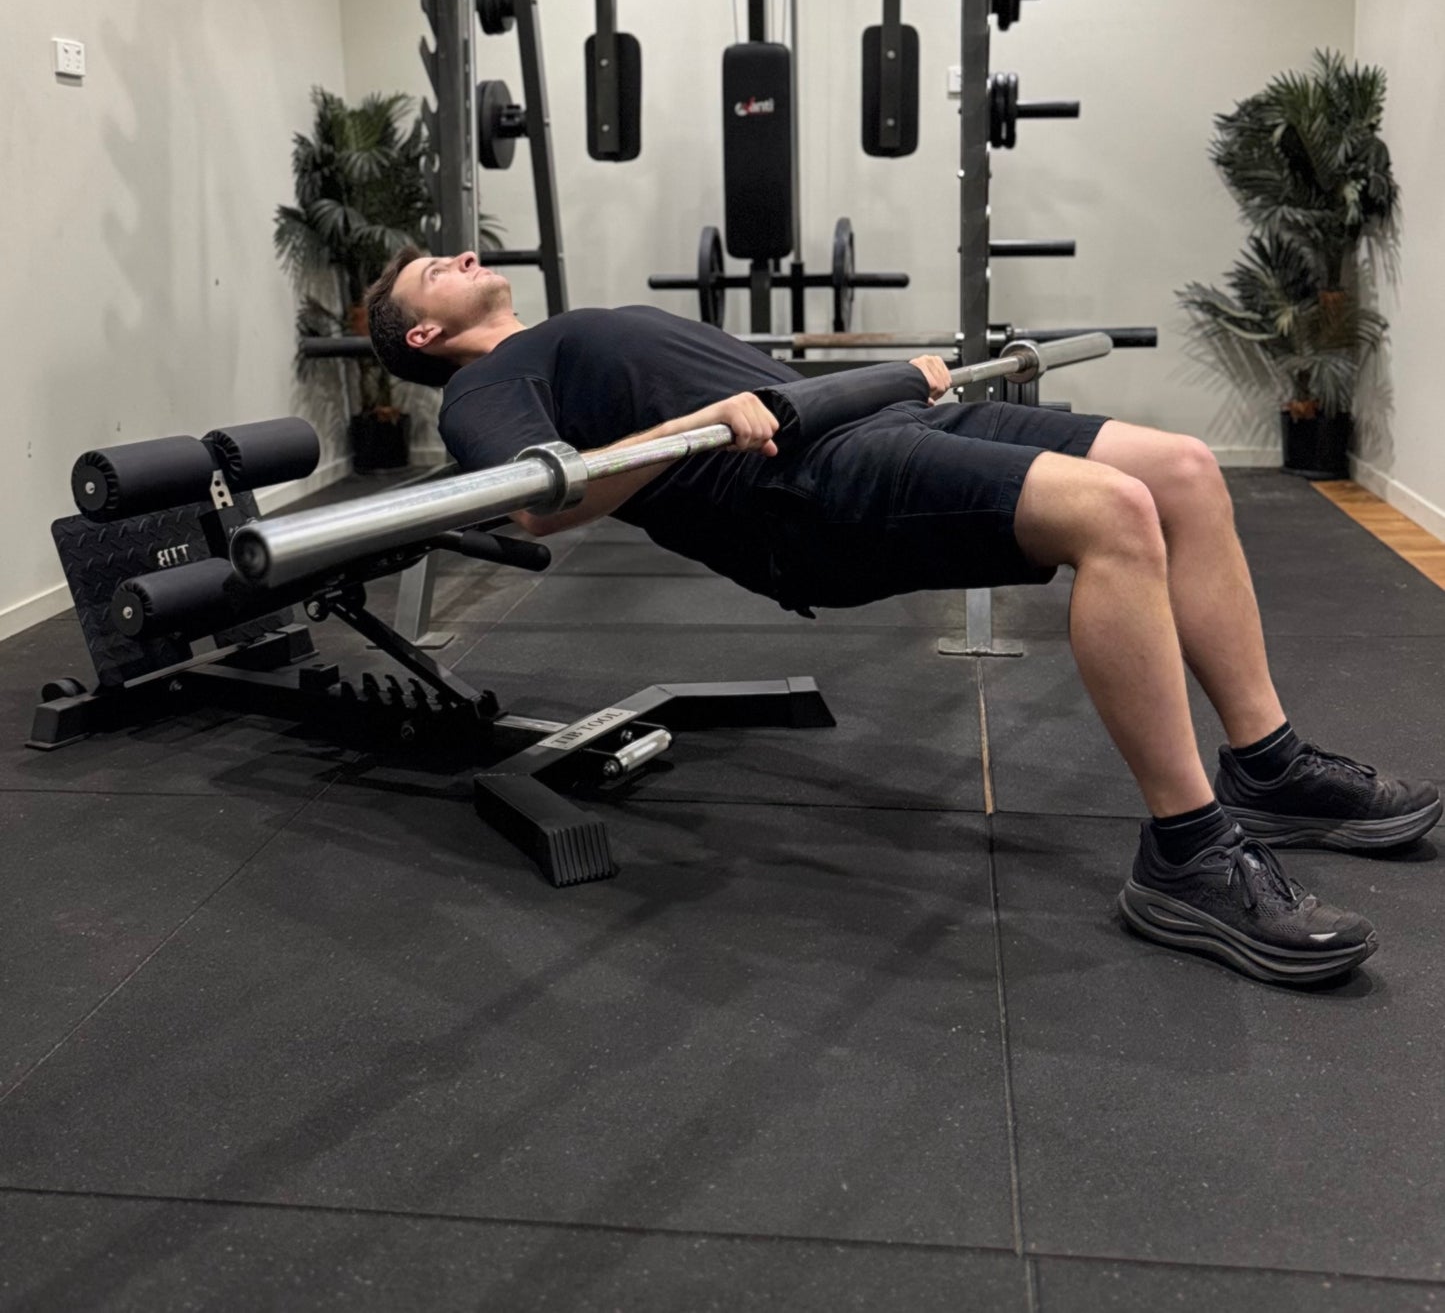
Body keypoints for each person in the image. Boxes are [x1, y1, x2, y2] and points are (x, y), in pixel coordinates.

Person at [364, 246, 1440, 985]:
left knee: (1184, 471)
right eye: (434, 269)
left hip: (855, 426)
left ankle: (1268, 763)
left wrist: (877, 380)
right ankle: (1187, 854)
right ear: (423, 328)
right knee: (1112, 514)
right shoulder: (483, 388)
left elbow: (755, 385)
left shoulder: (566, 331)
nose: (462, 254)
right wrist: (710, 419)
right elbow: (535, 502)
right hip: (788, 496)